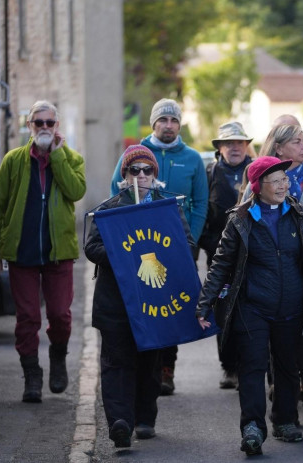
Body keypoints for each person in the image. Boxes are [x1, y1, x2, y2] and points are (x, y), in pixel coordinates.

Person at [196, 157, 303, 456]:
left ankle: (284, 421)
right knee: (253, 366)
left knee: (287, 366)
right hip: (253, 308)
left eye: (285, 179)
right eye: (277, 181)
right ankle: (253, 428)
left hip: (292, 308)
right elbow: (221, 265)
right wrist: (204, 303)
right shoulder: (240, 220)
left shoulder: (298, 215)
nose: (284, 185)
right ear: (259, 187)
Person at [85, 145, 195, 448]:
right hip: (116, 302)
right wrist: (124, 257)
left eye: (147, 170)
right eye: (135, 170)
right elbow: (91, 248)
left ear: (154, 175)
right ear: (125, 175)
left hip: (155, 300)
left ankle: (145, 418)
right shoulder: (109, 208)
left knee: (150, 362)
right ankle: (120, 423)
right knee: (116, 362)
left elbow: (185, 244)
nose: (142, 175)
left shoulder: (167, 207)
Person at [0, 100, 86, 403]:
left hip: (59, 252)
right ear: (29, 126)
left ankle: (57, 357)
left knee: (60, 315)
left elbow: (76, 191)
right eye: (37, 122)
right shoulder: (13, 161)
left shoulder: (71, 159)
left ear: (57, 127)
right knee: (27, 317)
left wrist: (58, 158)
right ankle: (31, 375)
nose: (43, 128)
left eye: (49, 123)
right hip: (22, 252)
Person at [110, 98, 209, 395]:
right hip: (142, 247)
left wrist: (188, 240)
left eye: (173, 120)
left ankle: (167, 367)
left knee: (175, 305)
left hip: (179, 245)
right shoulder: (135, 155)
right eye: (163, 120)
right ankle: (144, 362)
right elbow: (116, 191)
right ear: (153, 124)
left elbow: (201, 202)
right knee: (148, 303)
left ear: (180, 125)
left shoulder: (192, 158)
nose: (168, 125)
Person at [242, 123, 303, 423]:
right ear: (279, 148)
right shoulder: (258, 178)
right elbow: (241, 224)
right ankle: (284, 403)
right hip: (268, 279)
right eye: (296, 141)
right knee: (278, 345)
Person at [198, 121, 254, 390]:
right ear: (219, 148)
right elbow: (202, 215)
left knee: (253, 311)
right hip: (220, 258)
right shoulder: (209, 173)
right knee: (224, 312)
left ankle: (251, 367)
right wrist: (211, 245)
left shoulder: (258, 171)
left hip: (255, 257)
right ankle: (229, 367)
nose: (235, 148)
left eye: (240, 143)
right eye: (229, 143)